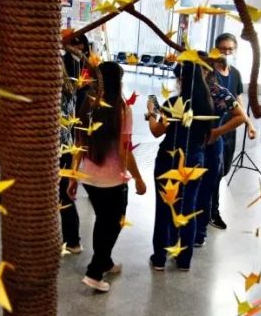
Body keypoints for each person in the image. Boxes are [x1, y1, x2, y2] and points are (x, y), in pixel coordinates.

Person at [69, 62, 145, 292]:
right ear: (118, 81)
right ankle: (94, 273)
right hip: (112, 180)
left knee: (104, 221)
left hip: (89, 178)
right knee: (113, 224)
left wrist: (74, 177)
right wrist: (139, 179)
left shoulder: (87, 104)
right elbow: (124, 150)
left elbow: (79, 143)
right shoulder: (121, 109)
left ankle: (106, 261)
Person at [146, 60, 214, 271]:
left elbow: (157, 131)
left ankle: (159, 257)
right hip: (195, 160)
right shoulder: (207, 104)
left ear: (182, 79)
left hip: (169, 159)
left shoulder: (173, 103)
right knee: (188, 207)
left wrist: (150, 113)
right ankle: (184, 259)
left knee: (164, 208)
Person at [194, 65, 248, 247]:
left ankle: (199, 233)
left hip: (210, 145)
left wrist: (218, 132)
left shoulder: (218, 92)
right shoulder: (187, 89)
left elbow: (240, 116)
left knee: (206, 189)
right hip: (190, 146)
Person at [209, 32, 255, 230]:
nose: (226, 53)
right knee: (213, 171)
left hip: (231, 128)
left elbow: (238, 100)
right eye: (223, 49)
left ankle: (210, 208)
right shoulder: (208, 72)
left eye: (230, 49)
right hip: (213, 128)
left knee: (223, 170)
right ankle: (212, 210)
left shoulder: (235, 73)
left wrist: (248, 123)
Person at [60, 46, 82, 254]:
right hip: (66, 146)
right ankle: (72, 239)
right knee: (64, 194)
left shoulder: (52, 90)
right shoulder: (69, 88)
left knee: (59, 195)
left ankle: (72, 240)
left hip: (52, 151)